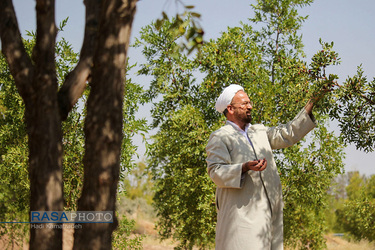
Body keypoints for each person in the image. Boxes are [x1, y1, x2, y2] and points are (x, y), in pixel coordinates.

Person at [206, 84, 322, 250]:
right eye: (244, 104)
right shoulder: (220, 137)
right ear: (230, 109)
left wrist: (311, 103)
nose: (250, 106)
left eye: (249, 102)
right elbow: (216, 172)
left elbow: (287, 133)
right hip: (241, 218)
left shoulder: (259, 131)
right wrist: (244, 167)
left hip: (269, 216)